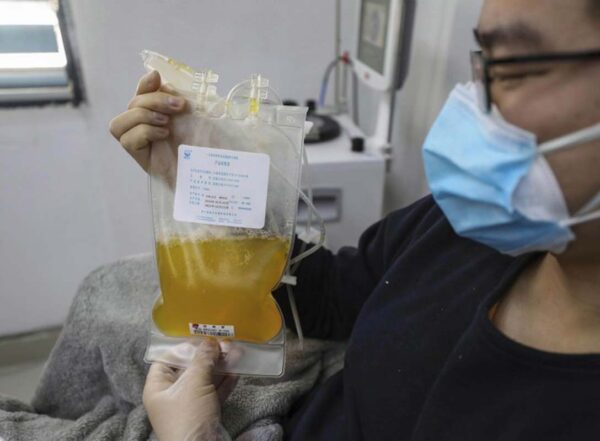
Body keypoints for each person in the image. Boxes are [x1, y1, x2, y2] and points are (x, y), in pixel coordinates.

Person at [109, 0, 600, 439]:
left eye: (510, 65)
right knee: (106, 290)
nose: (471, 105)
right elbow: (332, 295)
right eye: (481, 66)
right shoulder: (460, 229)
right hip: (291, 414)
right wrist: (210, 189)